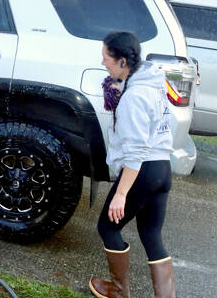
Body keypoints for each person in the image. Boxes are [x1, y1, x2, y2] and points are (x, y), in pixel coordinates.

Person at [89, 31, 176, 298]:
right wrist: (123, 90)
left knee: (108, 227)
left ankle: (117, 293)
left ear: (123, 61)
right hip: (162, 169)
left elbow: (136, 152)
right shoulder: (153, 84)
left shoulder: (134, 97)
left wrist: (121, 193)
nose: (103, 62)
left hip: (142, 171)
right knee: (151, 234)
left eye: (107, 58)